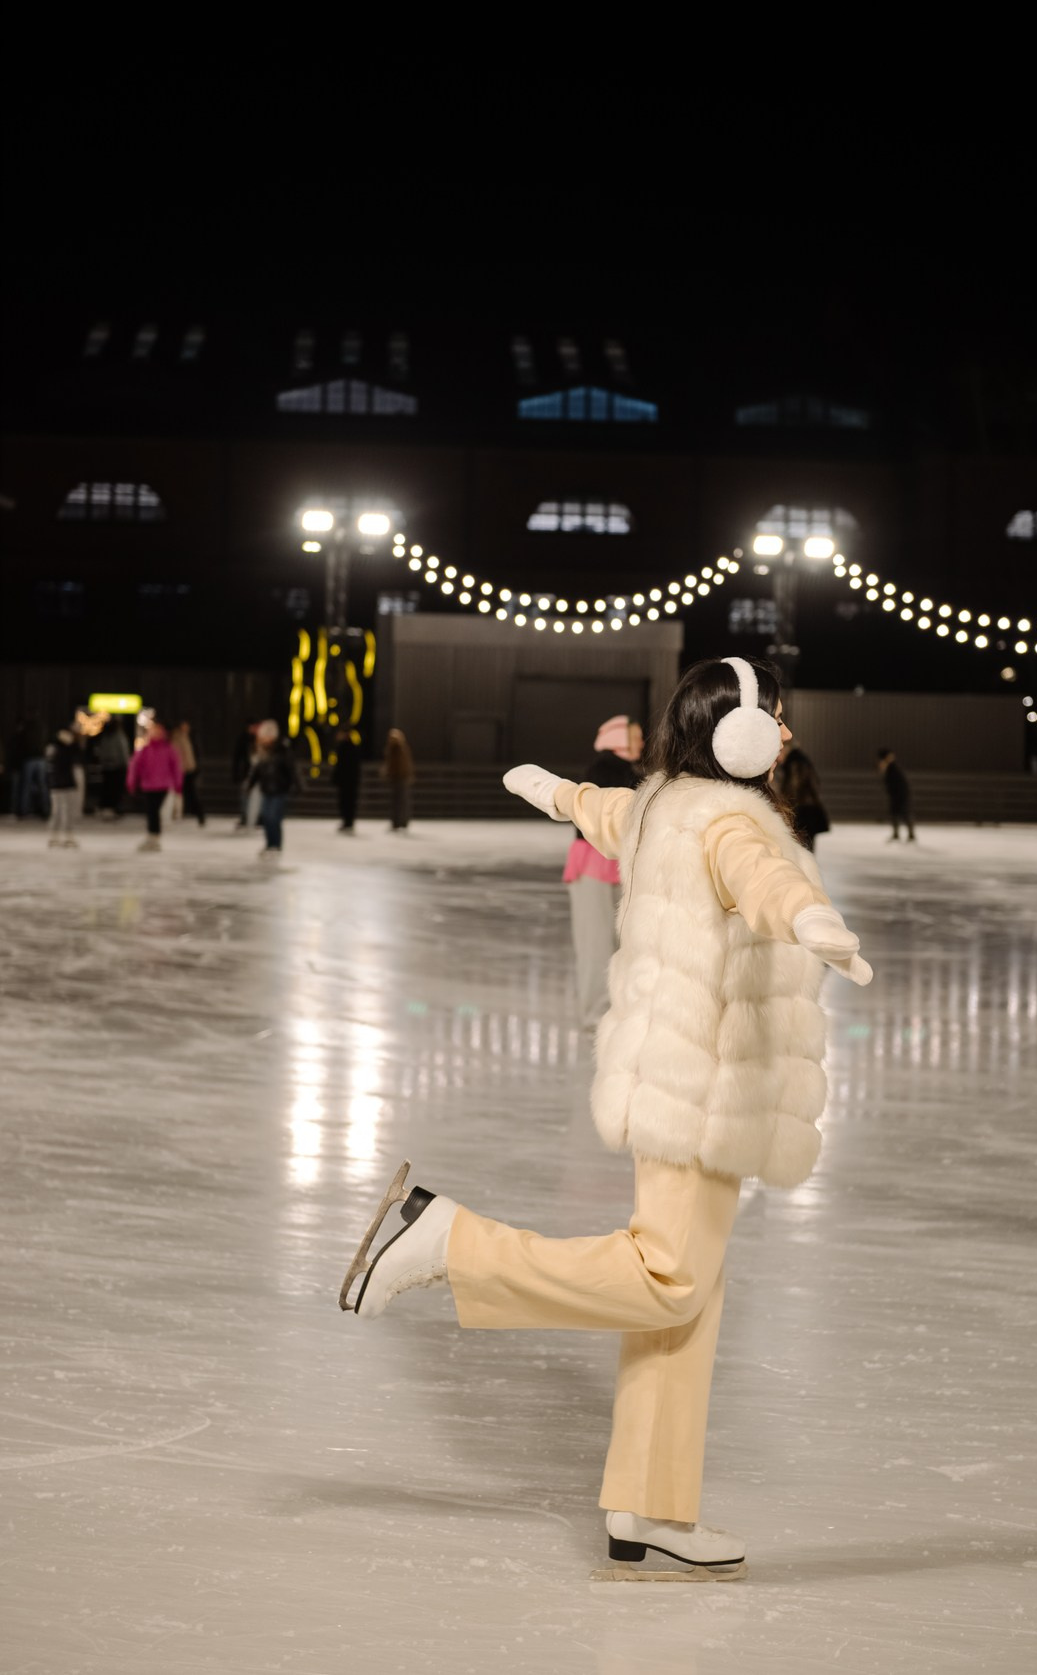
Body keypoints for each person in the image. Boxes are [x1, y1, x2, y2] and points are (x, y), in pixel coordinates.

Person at [338, 657, 872, 1580]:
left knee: (689, 1302)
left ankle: (650, 1507)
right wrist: (810, 916)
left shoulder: (664, 805)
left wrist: (554, 791)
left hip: (688, 1080)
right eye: (774, 716)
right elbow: (760, 881)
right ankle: (447, 1241)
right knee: (669, 1280)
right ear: (736, 732)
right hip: (703, 1088)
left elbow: (604, 812)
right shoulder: (731, 823)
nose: (784, 731)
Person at [563, 715, 643, 1026]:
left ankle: (610, 1009)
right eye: (636, 736)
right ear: (618, 739)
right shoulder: (605, 771)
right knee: (596, 942)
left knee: (615, 942)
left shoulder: (626, 771)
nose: (642, 742)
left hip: (614, 864)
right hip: (595, 864)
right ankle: (595, 1012)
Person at [126, 719, 182, 852]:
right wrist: (132, 782)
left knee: (154, 811)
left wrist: (178, 785)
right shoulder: (145, 750)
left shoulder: (168, 749)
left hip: (162, 786)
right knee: (152, 811)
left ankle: (154, 836)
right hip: (148, 785)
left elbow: (176, 768)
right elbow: (135, 767)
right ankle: (153, 836)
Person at [247, 720, 298, 857]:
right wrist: (250, 785)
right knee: (266, 817)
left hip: (280, 789)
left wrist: (295, 785)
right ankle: (270, 844)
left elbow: (291, 769)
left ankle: (276, 845)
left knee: (274, 817)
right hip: (267, 789)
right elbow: (258, 771)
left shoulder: (282, 749)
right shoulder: (263, 751)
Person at [775, 746, 829, 851]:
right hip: (807, 810)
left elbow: (794, 789)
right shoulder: (799, 761)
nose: (777, 759)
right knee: (807, 848)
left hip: (802, 812)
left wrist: (785, 806)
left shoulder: (795, 764)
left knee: (803, 848)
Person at [46, 724, 83, 848]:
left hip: (66, 783)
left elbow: (77, 753)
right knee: (57, 811)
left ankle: (68, 836)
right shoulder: (55, 748)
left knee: (68, 811)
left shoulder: (70, 748)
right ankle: (54, 836)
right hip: (58, 784)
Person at [94, 715, 130, 818]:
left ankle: (108, 808)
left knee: (108, 788)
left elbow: (101, 751)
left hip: (108, 766)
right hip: (117, 766)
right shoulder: (119, 735)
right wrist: (125, 764)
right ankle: (112, 808)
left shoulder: (106, 736)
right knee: (114, 789)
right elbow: (123, 751)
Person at [877, 747, 915, 842]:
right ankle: (899, 834)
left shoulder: (892, 768)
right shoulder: (891, 767)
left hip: (899, 795)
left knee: (903, 814)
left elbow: (897, 784)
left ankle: (910, 834)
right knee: (896, 814)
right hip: (897, 795)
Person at [171, 720, 205, 825]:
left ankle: (197, 814)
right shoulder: (178, 737)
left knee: (190, 793)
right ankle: (180, 813)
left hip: (189, 769)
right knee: (185, 793)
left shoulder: (188, 737)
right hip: (182, 770)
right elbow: (177, 755)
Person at [382, 727, 416, 830]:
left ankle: (402, 822)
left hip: (401, 777)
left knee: (401, 801)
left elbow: (405, 764)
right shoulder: (392, 749)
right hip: (396, 777)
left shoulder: (401, 749)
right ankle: (397, 822)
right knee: (397, 802)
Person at [333, 728, 361, 833]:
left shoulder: (343, 748)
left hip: (346, 780)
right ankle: (348, 821)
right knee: (348, 802)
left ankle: (347, 821)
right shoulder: (352, 747)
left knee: (346, 802)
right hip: (350, 780)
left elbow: (340, 766)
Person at [232, 721, 258, 830]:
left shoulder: (258, 739)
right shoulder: (243, 740)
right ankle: (245, 817)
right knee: (244, 796)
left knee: (255, 797)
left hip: (257, 774)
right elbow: (238, 758)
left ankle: (255, 818)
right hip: (246, 773)